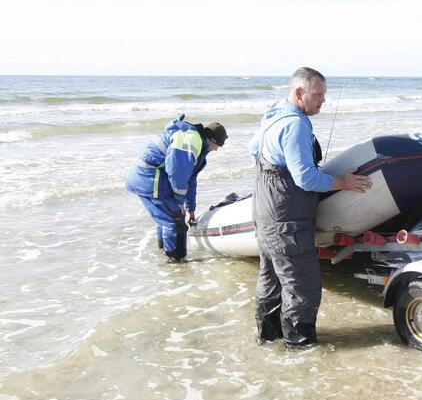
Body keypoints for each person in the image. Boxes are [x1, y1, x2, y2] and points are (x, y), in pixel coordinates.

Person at [250, 67, 371, 348]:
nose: (322, 101)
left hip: (265, 212)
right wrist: (343, 183)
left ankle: (267, 339)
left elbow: (253, 151)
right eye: (318, 95)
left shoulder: (272, 116)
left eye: (324, 95)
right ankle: (298, 346)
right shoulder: (295, 124)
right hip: (286, 219)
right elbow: (305, 178)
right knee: (301, 286)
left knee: (271, 279)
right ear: (299, 92)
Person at [126, 115, 227, 261]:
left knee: (167, 219)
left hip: (151, 177)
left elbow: (190, 180)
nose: (216, 150)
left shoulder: (197, 144)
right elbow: (177, 172)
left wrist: (190, 208)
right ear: (212, 140)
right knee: (175, 221)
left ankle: (164, 254)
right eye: (218, 146)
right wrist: (179, 202)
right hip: (149, 178)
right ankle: (176, 263)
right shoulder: (191, 140)